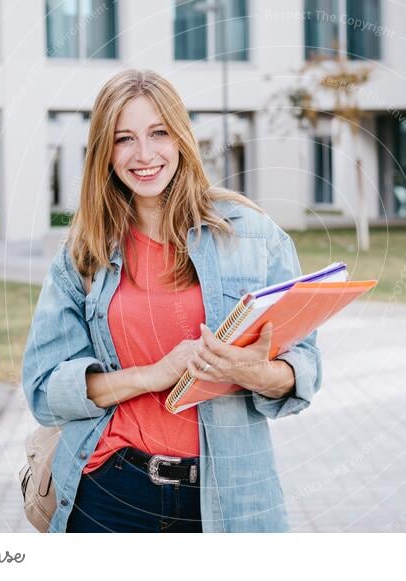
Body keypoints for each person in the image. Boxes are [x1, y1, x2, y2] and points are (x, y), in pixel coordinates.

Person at [20, 69, 323, 533]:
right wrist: (154, 375)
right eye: (124, 139)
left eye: (158, 132)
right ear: (105, 152)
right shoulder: (85, 253)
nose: (144, 155)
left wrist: (253, 372)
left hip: (231, 498)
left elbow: (305, 368)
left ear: (181, 137)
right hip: (111, 492)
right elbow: (44, 389)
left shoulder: (253, 236)